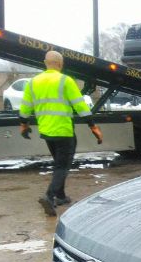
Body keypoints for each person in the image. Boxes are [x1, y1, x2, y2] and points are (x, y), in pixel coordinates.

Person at [19, 50, 103, 216]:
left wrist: (23, 124)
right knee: (62, 166)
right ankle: (49, 196)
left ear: (45, 63)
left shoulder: (33, 82)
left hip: (47, 131)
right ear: (61, 64)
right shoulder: (65, 80)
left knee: (59, 163)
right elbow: (80, 105)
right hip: (64, 131)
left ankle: (61, 196)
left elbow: (25, 106)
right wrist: (93, 126)